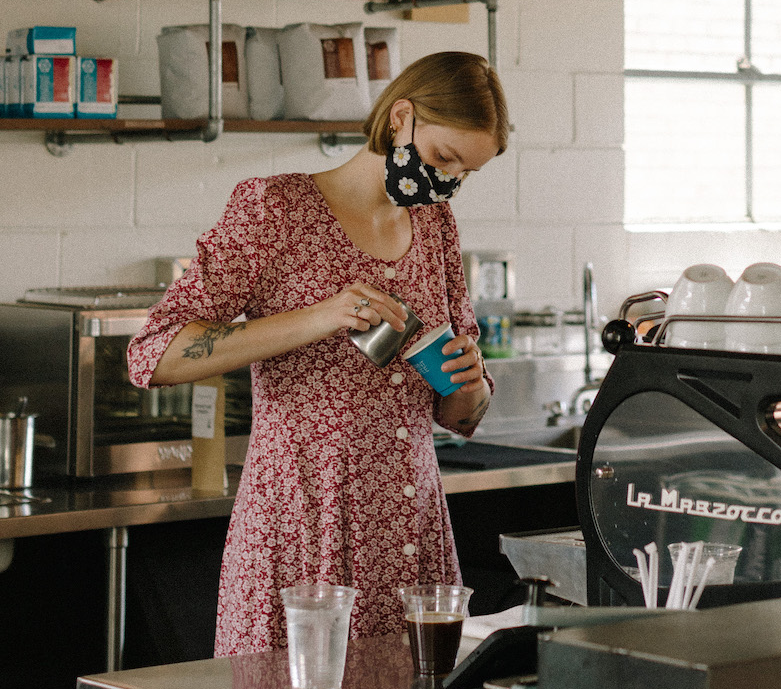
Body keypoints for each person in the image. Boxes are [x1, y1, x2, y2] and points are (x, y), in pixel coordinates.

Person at [128, 49, 507, 656]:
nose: (447, 184)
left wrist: (469, 383)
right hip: (305, 520)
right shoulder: (275, 210)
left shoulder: (436, 225)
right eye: (442, 159)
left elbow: (460, 417)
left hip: (411, 528)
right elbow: (156, 352)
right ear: (399, 119)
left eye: (466, 173)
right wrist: (321, 316)